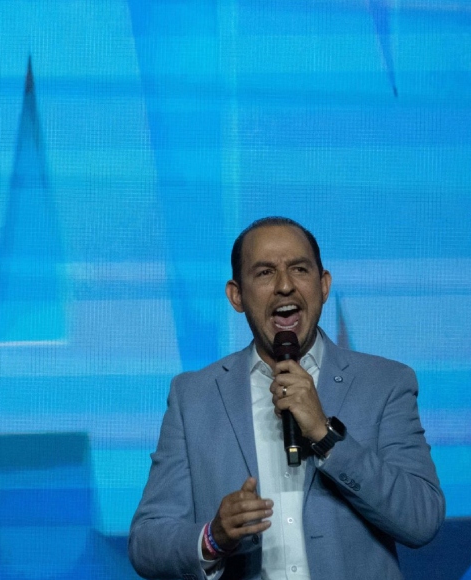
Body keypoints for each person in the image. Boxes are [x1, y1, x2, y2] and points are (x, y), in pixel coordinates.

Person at [128, 217, 444, 580]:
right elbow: (146, 542)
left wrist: (327, 437)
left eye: (299, 269)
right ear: (237, 296)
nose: (284, 286)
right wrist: (213, 538)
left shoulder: (385, 383)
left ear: (323, 285)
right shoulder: (194, 398)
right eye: (264, 273)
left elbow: (422, 520)